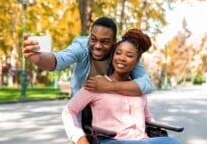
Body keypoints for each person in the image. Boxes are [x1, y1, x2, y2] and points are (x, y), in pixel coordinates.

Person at [62, 28, 191, 144]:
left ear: (136, 62)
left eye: (129, 55)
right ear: (112, 56)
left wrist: (156, 133)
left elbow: (148, 118)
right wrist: (79, 137)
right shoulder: (96, 84)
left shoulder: (137, 89)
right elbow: (69, 111)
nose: (122, 58)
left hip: (142, 142)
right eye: (118, 53)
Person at [22, 16, 153, 97]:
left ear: (114, 42)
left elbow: (146, 84)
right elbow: (58, 60)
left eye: (105, 41)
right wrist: (38, 59)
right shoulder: (81, 47)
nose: (97, 45)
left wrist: (109, 85)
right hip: (82, 107)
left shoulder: (120, 54)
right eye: (93, 39)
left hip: (109, 110)